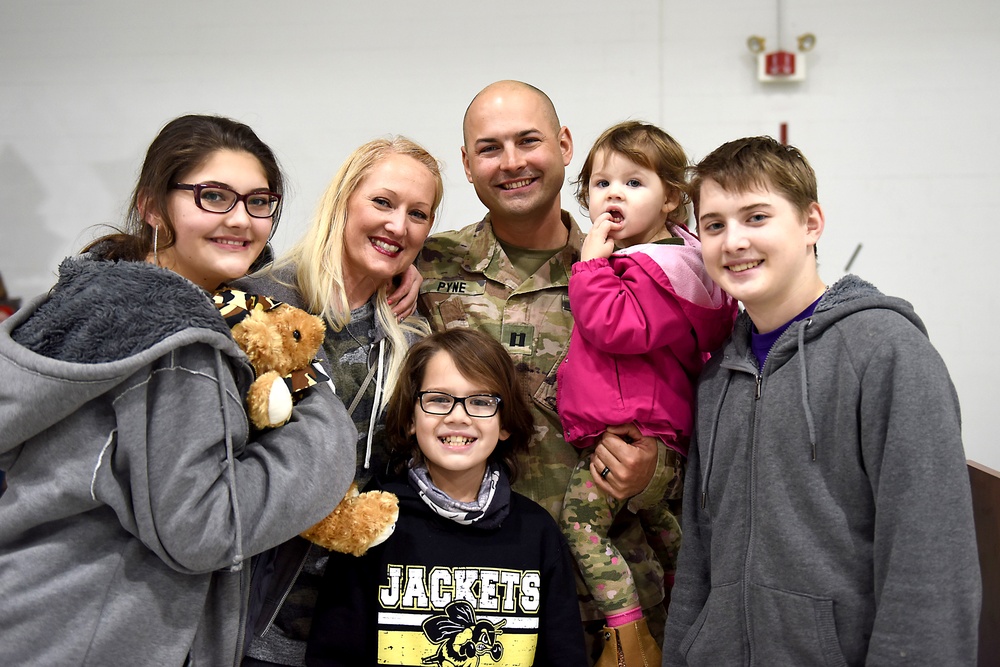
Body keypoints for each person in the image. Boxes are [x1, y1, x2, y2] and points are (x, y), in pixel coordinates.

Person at [0, 114, 356, 666]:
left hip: (41, 618)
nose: (242, 220)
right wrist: (323, 421)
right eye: (213, 196)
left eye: (259, 201)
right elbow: (206, 528)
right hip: (102, 638)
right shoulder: (175, 345)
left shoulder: (98, 297)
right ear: (151, 205)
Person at [661, 136, 981, 665]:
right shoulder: (718, 374)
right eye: (714, 225)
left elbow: (930, 561)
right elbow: (699, 556)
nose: (733, 241)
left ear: (811, 223)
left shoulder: (886, 351)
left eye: (756, 217)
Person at [417, 80, 678, 662]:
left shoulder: (632, 276)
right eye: (489, 148)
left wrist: (653, 472)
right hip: (465, 596)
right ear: (466, 163)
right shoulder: (427, 263)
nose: (511, 163)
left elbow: (693, 411)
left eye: (528, 141)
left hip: (606, 599)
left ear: (564, 145)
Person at [238, 136, 442, 667]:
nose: (398, 226)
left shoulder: (412, 337)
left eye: (418, 214)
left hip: (351, 623)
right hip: (246, 615)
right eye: (383, 202)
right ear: (344, 198)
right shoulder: (255, 304)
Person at [556, 121, 737, 665]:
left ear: (671, 200)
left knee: (581, 524)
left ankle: (627, 637)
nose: (613, 193)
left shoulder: (652, 269)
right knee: (665, 531)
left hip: (634, 429)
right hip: (650, 427)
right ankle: (699, 618)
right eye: (601, 182)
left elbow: (613, 327)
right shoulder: (679, 262)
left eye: (635, 183)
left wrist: (589, 264)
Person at [305, 328, 588, 666]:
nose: (458, 416)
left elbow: (564, 657)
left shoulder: (537, 532)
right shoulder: (371, 524)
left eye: (481, 401)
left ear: (505, 423)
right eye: (439, 399)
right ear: (412, 418)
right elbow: (333, 657)